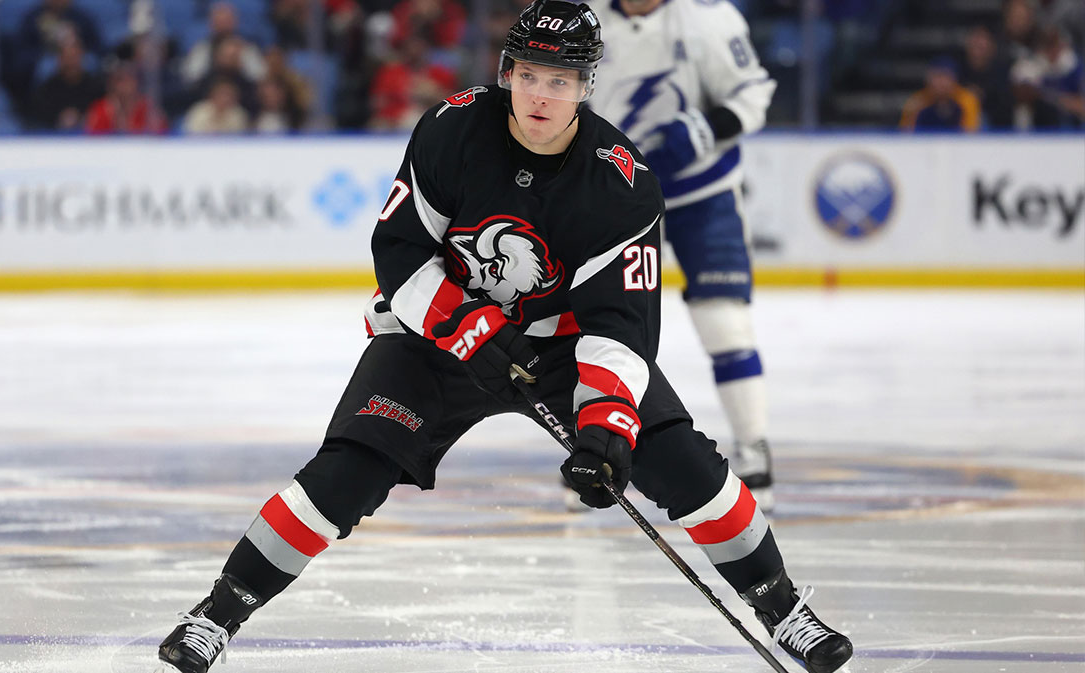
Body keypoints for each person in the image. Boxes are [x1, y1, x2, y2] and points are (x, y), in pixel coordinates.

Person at [155, 3, 854, 673]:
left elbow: (621, 322)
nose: (540, 96)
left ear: (585, 86)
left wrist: (606, 428)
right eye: (528, 75)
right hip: (438, 332)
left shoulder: (623, 182)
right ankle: (216, 615)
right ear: (506, 72)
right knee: (345, 474)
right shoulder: (452, 128)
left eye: (560, 82)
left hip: (563, 343)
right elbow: (400, 251)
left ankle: (784, 608)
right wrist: (461, 325)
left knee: (690, 468)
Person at [589, 0, 779, 508]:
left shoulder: (708, 16)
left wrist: (706, 128)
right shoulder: (580, 15)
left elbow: (754, 92)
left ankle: (754, 446)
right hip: (612, 192)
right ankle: (592, 446)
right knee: (597, 325)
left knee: (724, 322)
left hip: (703, 190)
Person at [899, 57, 983, 132]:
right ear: (928, 78)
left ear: (955, 79)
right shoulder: (917, 101)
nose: (941, 83)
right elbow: (906, 135)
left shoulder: (967, 100)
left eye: (946, 77)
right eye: (937, 76)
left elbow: (971, 135)